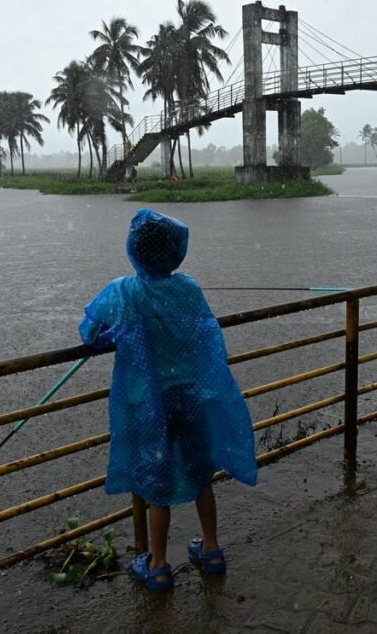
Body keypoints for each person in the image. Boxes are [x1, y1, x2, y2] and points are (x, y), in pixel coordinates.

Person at [78, 208, 258, 591]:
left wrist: (116, 333)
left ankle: (158, 565)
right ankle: (210, 550)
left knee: (156, 487)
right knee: (201, 476)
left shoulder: (123, 291)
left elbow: (90, 332)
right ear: (176, 250)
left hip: (149, 405)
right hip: (193, 396)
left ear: (133, 249)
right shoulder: (188, 288)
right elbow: (202, 334)